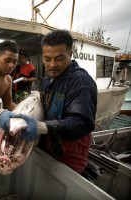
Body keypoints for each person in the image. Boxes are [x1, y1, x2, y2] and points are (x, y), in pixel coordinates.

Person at [19, 29, 97, 174]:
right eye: (47, 59)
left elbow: (83, 123)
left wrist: (42, 127)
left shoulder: (81, 82)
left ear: (70, 54)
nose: (52, 65)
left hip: (71, 153)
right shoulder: (49, 77)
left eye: (59, 58)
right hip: (49, 146)